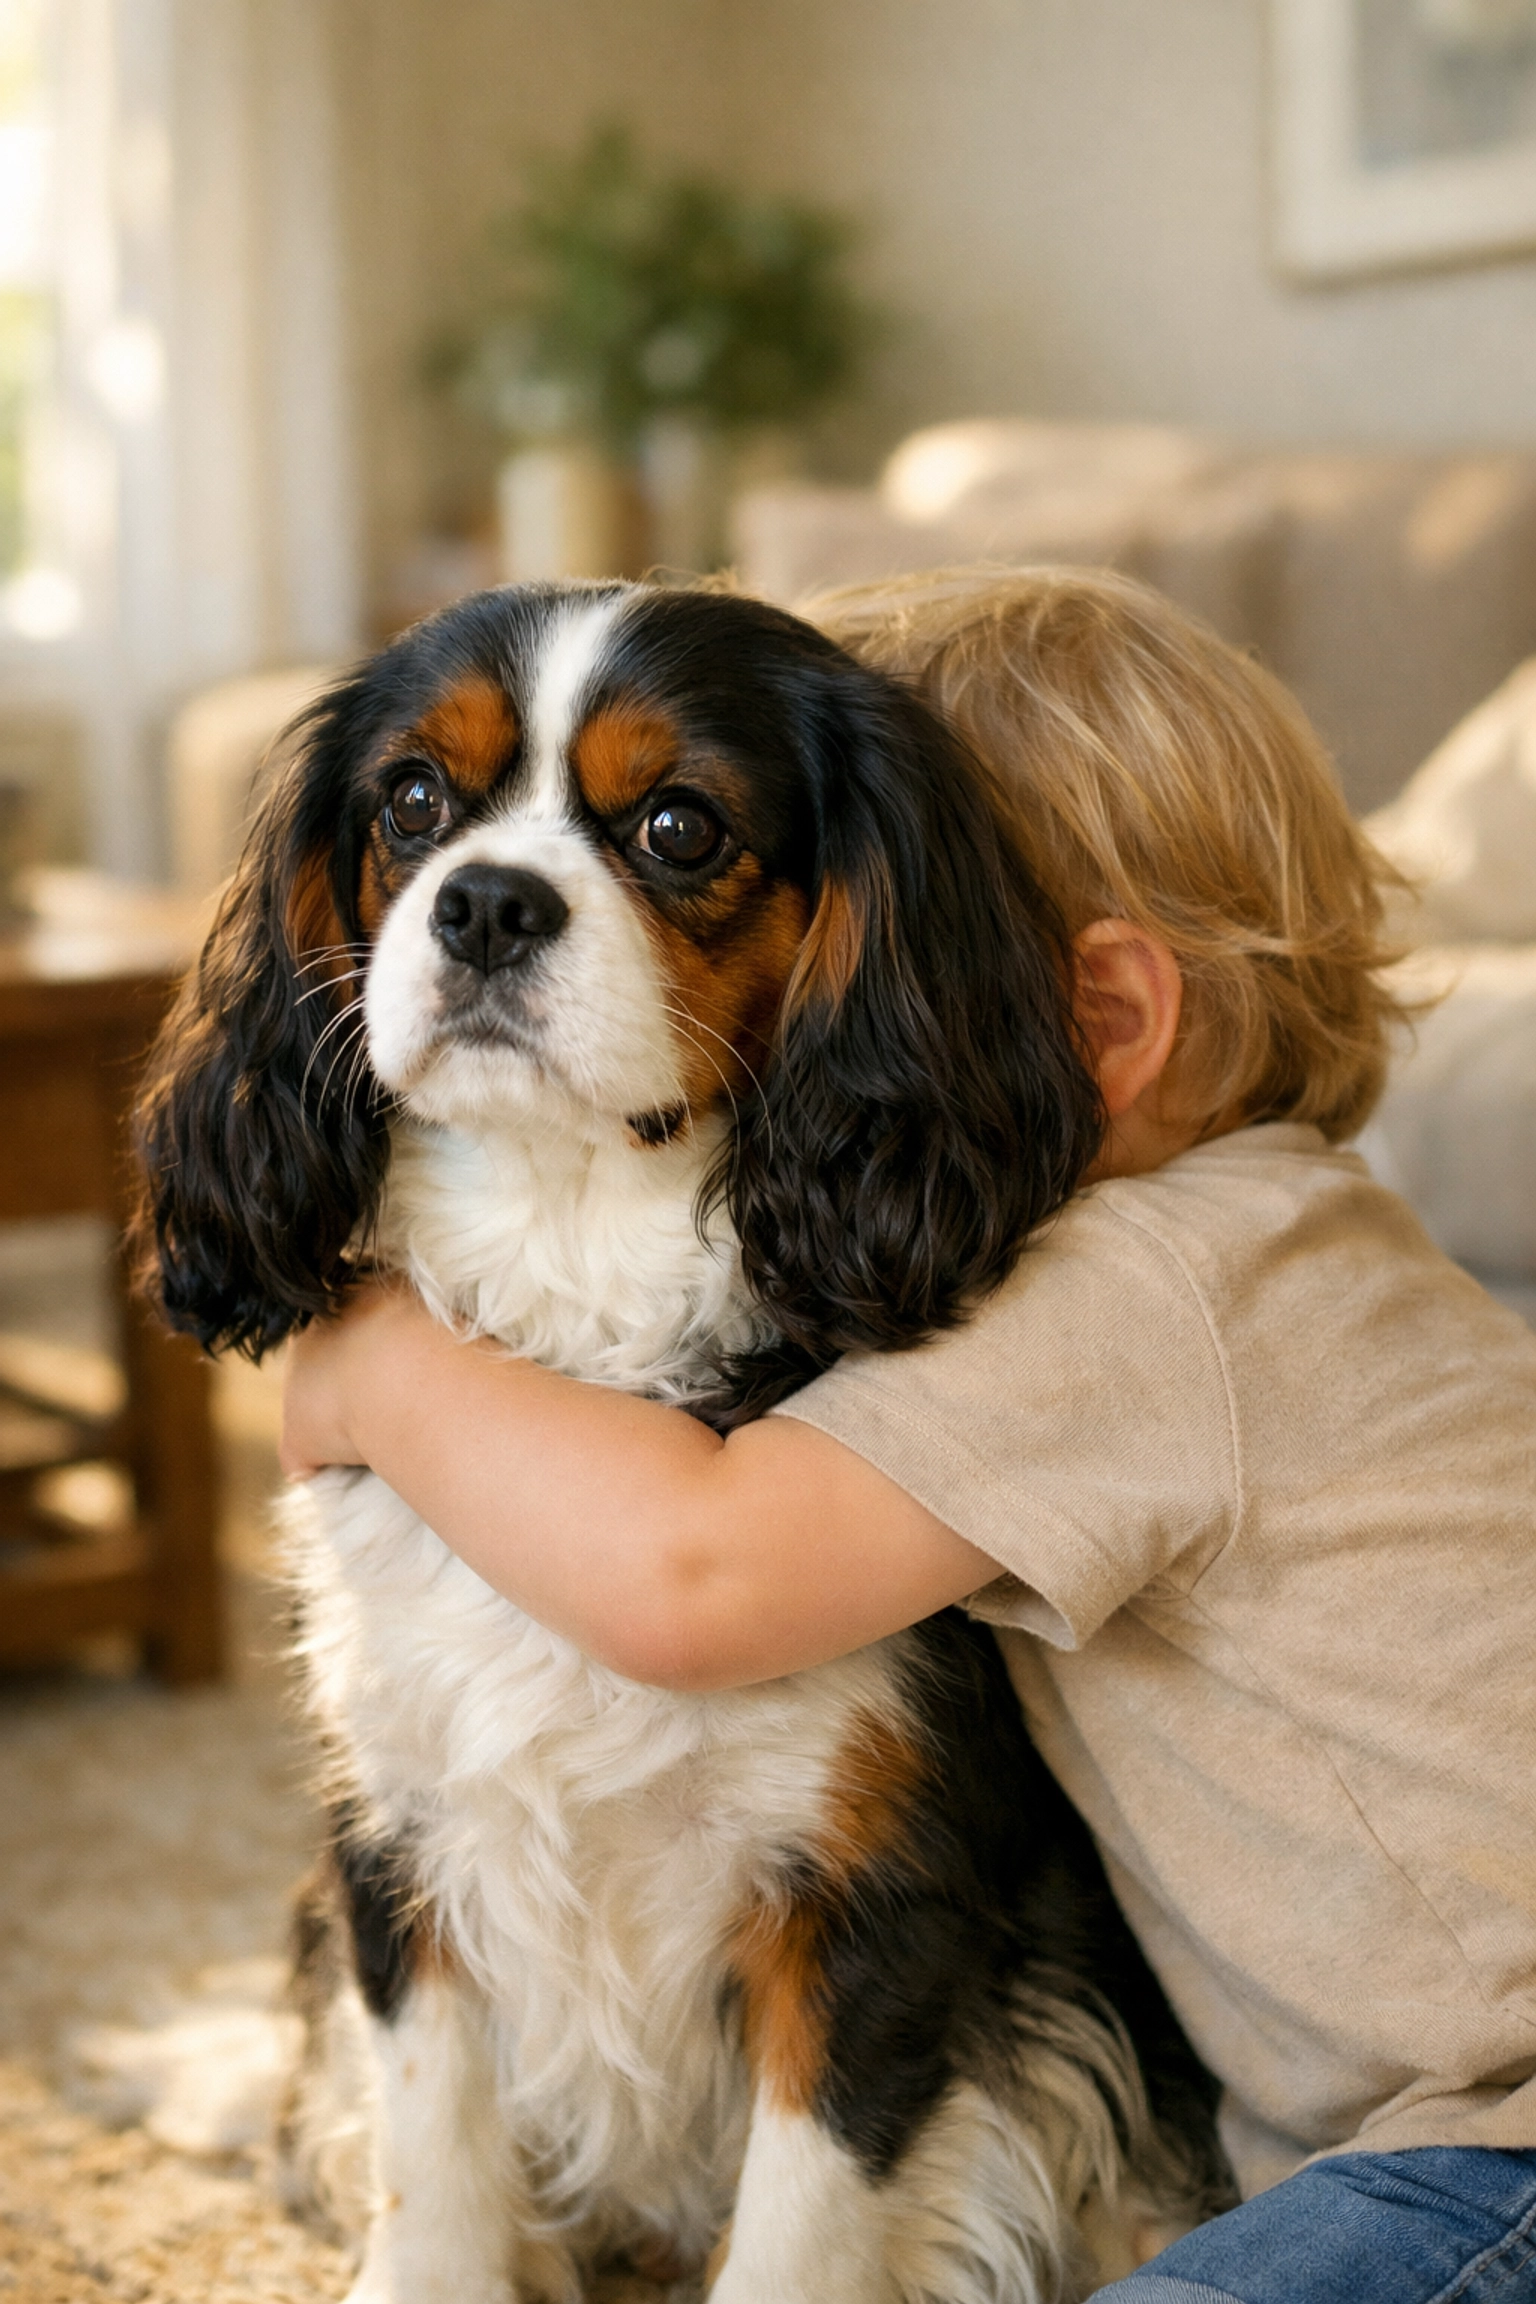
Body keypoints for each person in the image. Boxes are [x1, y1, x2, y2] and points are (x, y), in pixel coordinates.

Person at [279, 568, 1536, 2304]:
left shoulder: (1149, 1291)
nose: (495, 879)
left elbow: (690, 1574)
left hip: (1498, 2143)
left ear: (1091, 1024)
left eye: (679, 830)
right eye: (423, 807)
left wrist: (366, 1374)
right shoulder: (1272, 1253)